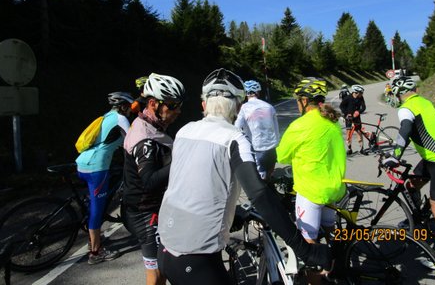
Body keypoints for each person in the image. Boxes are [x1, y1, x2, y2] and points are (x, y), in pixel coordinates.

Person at [157, 68, 330, 285]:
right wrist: (304, 249)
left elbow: (193, 182)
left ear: (203, 105)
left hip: (164, 249)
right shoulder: (234, 139)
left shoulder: (184, 131)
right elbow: (259, 193)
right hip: (197, 258)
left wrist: (232, 212)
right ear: (239, 108)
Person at [383, 76, 435, 268]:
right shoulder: (424, 101)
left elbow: (405, 129)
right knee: (411, 184)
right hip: (431, 158)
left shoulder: (406, 108)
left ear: (397, 93)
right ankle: (420, 215)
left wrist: (395, 155)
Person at [276, 77, 346, 284]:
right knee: (330, 229)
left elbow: (282, 156)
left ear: (305, 101)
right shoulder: (332, 122)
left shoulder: (300, 125)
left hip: (311, 190)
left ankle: (317, 278)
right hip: (334, 188)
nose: (298, 103)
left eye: (298, 100)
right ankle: (338, 263)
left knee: (308, 245)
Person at [123, 73, 185, 285]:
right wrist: (182, 160)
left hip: (150, 208)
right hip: (145, 214)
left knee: (165, 269)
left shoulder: (150, 124)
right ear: (153, 103)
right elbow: (149, 181)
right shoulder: (146, 141)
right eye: (172, 105)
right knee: (157, 274)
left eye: (179, 104)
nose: (178, 110)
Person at [76, 91, 134, 265]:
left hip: (83, 163)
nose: (131, 110)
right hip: (97, 167)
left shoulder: (106, 116)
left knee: (96, 201)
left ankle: (93, 238)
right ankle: (95, 252)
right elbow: (132, 141)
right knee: (97, 208)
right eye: (129, 107)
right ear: (123, 106)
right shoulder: (121, 119)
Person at [234, 79, 280, 180]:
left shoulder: (245, 108)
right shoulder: (269, 106)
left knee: (260, 177)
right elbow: (276, 127)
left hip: (257, 147)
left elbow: (237, 127)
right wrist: (276, 143)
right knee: (270, 172)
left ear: (245, 93)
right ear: (258, 92)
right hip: (272, 146)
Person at [339, 84, 366, 155]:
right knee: (348, 133)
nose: (362, 94)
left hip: (357, 117)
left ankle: (361, 148)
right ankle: (349, 149)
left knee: (359, 132)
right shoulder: (348, 98)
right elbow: (341, 106)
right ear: (356, 92)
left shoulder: (361, 98)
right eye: (361, 93)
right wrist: (347, 113)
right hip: (349, 118)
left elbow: (363, 107)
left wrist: (359, 111)